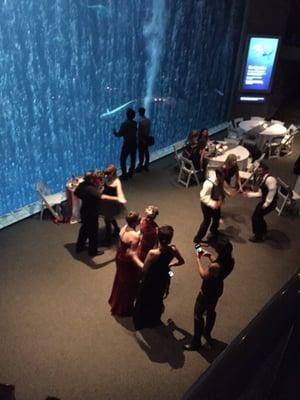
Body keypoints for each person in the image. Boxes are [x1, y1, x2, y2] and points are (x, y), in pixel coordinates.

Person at [184, 238, 234, 351]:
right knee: (211, 311)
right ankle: (207, 333)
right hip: (218, 289)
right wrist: (210, 256)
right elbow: (217, 269)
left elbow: (204, 275)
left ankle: (196, 342)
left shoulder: (215, 266)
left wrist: (198, 260)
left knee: (198, 314)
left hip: (207, 291)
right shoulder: (230, 261)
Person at [132, 225, 185, 330]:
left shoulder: (153, 253)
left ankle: (142, 320)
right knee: (157, 297)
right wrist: (170, 265)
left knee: (144, 298)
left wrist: (134, 257)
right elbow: (181, 262)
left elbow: (144, 268)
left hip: (151, 278)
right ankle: (154, 318)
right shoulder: (173, 249)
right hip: (163, 276)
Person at [108, 211, 142, 316]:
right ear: (136, 222)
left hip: (119, 256)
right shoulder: (135, 237)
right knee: (129, 284)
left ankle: (116, 302)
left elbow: (120, 244)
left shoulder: (123, 228)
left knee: (120, 279)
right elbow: (134, 254)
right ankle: (123, 308)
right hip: (128, 262)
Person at [243, 162, 278, 242]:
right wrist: (249, 194)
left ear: (265, 171)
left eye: (260, 171)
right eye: (258, 171)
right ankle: (263, 232)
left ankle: (258, 236)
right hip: (265, 201)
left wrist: (266, 204)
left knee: (256, 217)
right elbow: (260, 193)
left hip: (270, 203)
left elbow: (272, 191)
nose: (258, 172)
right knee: (258, 216)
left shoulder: (270, 179)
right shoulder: (262, 179)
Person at [75, 171, 104, 257]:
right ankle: (93, 251)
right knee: (93, 233)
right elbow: (99, 197)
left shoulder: (82, 185)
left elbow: (76, 193)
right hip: (92, 213)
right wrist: (101, 190)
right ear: (91, 180)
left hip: (84, 211)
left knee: (84, 229)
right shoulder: (91, 190)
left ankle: (79, 247)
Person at [193, 167, 225, 244]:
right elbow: (202, 196)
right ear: (218, 175)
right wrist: (213, 203)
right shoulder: (209, 183)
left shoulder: (220, 180)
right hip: (206, 205)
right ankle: (197, 239)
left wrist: (221, 198)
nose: (224, 178)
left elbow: (220, 189)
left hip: (216, 202)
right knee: (207, 221)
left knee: (216, 218)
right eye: (222, 176)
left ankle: (214, 231)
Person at [100, 164, 127, 245]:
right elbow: (104, 188)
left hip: (112, 204)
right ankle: (116, 228)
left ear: (113, 173)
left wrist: (121, 198)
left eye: (108, 174)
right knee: (109, 218)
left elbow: (120, 194)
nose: (106, 175)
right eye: (106, 174)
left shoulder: (117, 182)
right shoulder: (106, 178)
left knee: (107, 220)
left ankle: (108, 239)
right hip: (105, 202)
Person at [113, 108, 137, 180]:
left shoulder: (124, 124)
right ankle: (130, 173)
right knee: (133, 158)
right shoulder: (135, 123)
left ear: (127, 115)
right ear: (133, 116)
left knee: (122, 159)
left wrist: (114, 132)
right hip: (134, 142)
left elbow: (119, 134)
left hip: (127, 143)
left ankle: (124, 174)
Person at [135, 107, 151, 172]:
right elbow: (148, 130)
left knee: (141, 153)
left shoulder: (141, 122)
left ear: (139, 113)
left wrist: (138, 139)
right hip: (146, 138)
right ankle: (146, 165)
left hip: (141, 140)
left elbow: (139, 132)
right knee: (146, 152)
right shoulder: (148, 120)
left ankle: (140, 167)